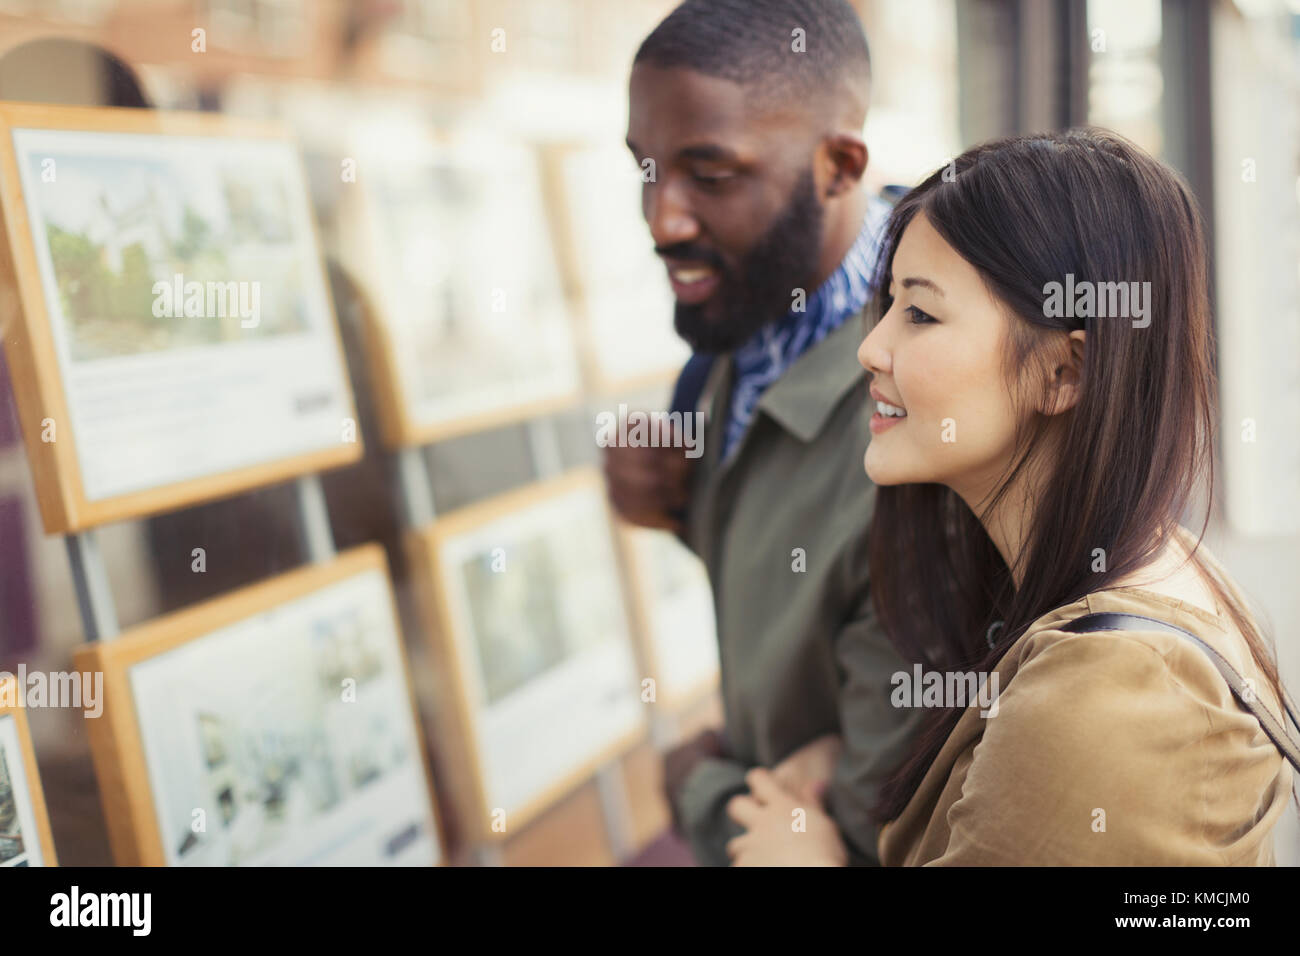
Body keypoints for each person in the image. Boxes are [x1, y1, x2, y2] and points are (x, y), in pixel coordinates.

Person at [723, 128, 1299, 865]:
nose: (871, 349)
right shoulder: (1153, 560)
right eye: (890, 302)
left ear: (1065, 372)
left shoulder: (1104, 697)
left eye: (922, 314)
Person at [605, 0, 925, 865]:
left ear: (838, 164)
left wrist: (695, 784)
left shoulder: (922, 422)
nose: (661, 221)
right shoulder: (735, 342)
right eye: (645, 170)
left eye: (709, 176)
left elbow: (876, 830)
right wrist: (679, 508)